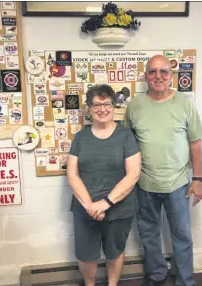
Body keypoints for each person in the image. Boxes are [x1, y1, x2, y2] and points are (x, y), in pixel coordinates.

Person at [124, 55, 202, 286]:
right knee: (148, 235)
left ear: (171, 75)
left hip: (178, 183)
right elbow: (128, 144)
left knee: (182, 236)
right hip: (144, 183)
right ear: (145, 75)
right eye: (152, 72)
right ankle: (157, 275)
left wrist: (197, 179)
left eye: (163, 72)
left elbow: (195, 144)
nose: (158, 76)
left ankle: (186, 281)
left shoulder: (185, 102)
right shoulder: (135, 105)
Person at [67, 84, 141, 286]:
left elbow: (133, 174)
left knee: (114, 251)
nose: (102, 109)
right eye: (96, 105)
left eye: (106, 104)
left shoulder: (126, 136)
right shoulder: (80, 138)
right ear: (89, 108)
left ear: (114, 106)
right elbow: (72, 175)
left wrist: (105, 203)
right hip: (85, 209)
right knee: (85, 254)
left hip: (119, 208)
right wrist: (91, 206)